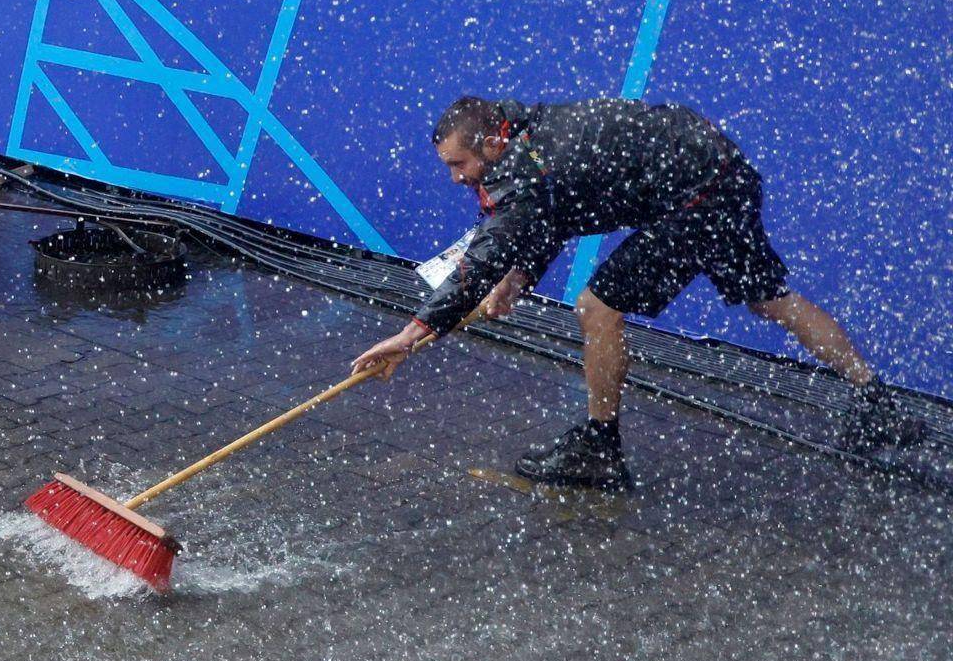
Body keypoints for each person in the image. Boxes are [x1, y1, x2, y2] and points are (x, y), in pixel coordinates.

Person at [352, 96, 929, 490]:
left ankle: (601, 445)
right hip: (721, 172)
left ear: (492, 144)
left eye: (460, 164)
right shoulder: (531, 141)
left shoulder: (531, 167)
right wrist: (520, 279)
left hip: (695, 197)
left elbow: (484, 257)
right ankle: (875, 400)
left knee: (595, 306)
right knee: (769, 298)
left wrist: (409, 335)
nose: (457, 177)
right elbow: (553, 216)